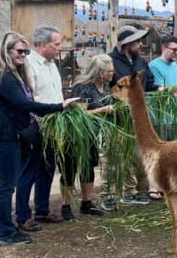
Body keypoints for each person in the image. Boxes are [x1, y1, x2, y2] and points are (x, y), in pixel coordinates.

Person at [0, 32, 77, 245]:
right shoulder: (4, 77)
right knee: (8, 185)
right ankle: (7, 230)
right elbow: (25, 104)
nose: (23, 55)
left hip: (23, 131)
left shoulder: (16, 73)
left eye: (25, 52)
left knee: (38, 170)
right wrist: (58, 108)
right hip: (9, 134)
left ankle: (29, 216)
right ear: (6, 51)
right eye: (19, 51)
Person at [20, 25, 66, 224]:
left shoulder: (52, 64)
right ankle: (22, 213)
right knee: (30, 169)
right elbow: (29, 98)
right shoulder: (29, 65)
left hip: (55, 124)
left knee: (48, 167)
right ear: (42, 45)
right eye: (56, 45)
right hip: (36, 123)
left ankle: (42, 208)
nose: (59, 48)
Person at [62, 53, 117, 218]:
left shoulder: (106, 86)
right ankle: (66, 206)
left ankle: (87, 203)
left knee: (88, 168)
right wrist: (102, 110)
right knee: (70, 169)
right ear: (100, 72)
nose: (112, 74)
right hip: (75, 135)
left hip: (92, 135)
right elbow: (80, 114)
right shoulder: (82, 87)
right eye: (109, 71)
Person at [109, 24, 157, 204]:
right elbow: (109, 89)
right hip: (120, 118)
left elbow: (150, 84)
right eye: (137, 42)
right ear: (127, 43)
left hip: (140, 117)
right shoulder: (111, 62)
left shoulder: (141, 63)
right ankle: (125, 191)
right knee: (123, 154)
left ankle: (142, 189)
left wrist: (160, 90)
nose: (141, 45)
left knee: (141, 153)